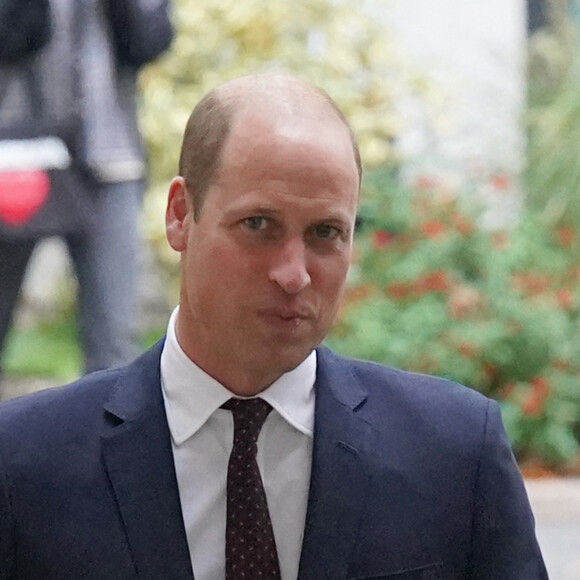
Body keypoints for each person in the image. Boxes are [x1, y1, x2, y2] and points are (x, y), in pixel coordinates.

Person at [0, 72, 548, 579]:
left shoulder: (453, 455)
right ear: (180, 214)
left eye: (326, 233)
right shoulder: (24, 464)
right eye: (258, 224)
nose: (293, 274)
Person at [0, 0, 145, 378]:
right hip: (18, 160)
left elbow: (149, 43)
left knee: (112, 343)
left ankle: (112, 436)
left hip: (110, 159)